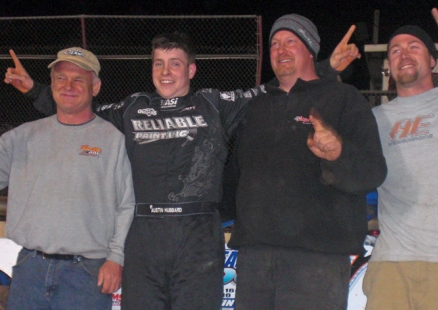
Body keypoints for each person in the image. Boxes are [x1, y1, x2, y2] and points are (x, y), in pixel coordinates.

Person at [4, 30, 359, 309]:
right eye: (158, 63)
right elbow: (78, 106)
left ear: (190, 69)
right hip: (144, 234)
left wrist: (325, 68)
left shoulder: (214, 104)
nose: (166, 71)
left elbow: (270, 91)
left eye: (175, 63)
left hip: (198, 235)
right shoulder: (133, 107)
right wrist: (34, 89)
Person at [227, 14, 387, 310]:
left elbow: (372, 171)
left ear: (311, 49)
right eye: (274, 43)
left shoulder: (344, 99)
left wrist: (339, 154)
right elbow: (235, 175)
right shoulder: (255, 106)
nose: (280, 50)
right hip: (255, 259)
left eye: (291, 41)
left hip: (318, 259)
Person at [0, 47, 135, 309]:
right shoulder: (21, 137)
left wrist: (116, 258)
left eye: (78, 79)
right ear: (51, 85)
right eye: (61, 78)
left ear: (95, 87)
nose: (68, 86)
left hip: (87, 275)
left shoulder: (113, 140)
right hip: (30, 270)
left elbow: (126, 205)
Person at [362, 8, 438, 310]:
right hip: (391, 262)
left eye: (414, 46)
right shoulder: (371, 119)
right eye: (395, 50)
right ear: (389, 66)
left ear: (433, 60)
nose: (403, 54)